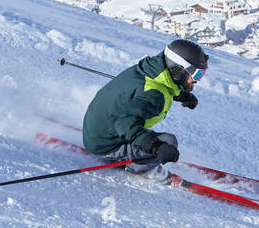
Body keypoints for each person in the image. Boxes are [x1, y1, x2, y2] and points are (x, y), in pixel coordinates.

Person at [81, 39, 208, 179]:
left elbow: (166, 85)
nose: (197, 80)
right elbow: (125, 123)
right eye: (196, 74)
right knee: (169, 141)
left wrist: (183, 96)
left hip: (97, 130)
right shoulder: (155, 94)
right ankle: (138, 166)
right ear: (178, 69)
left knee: (152, 135)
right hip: (105, 145)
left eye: (201, 74)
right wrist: (156, 147)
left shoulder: (151, 70)